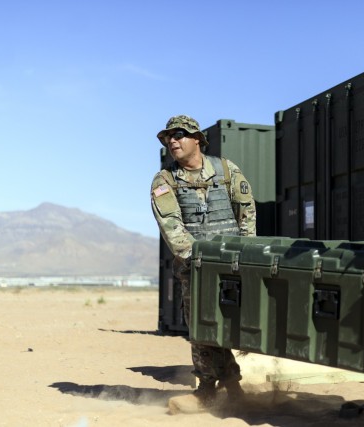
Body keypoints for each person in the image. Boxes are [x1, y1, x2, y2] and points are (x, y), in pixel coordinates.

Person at [150, 115, 256, 414]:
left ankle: (232, 383)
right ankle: (207, 387)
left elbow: (246, 213)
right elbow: (172, 226)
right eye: (167, 137)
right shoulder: (165, 180)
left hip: (233, 265)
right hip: (196, 268)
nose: (172, 141)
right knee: (201, 325)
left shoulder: (225, 170)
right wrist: (196, 260)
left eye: (179, 134)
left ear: (198, 138)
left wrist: (246, 253)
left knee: (227, 323)